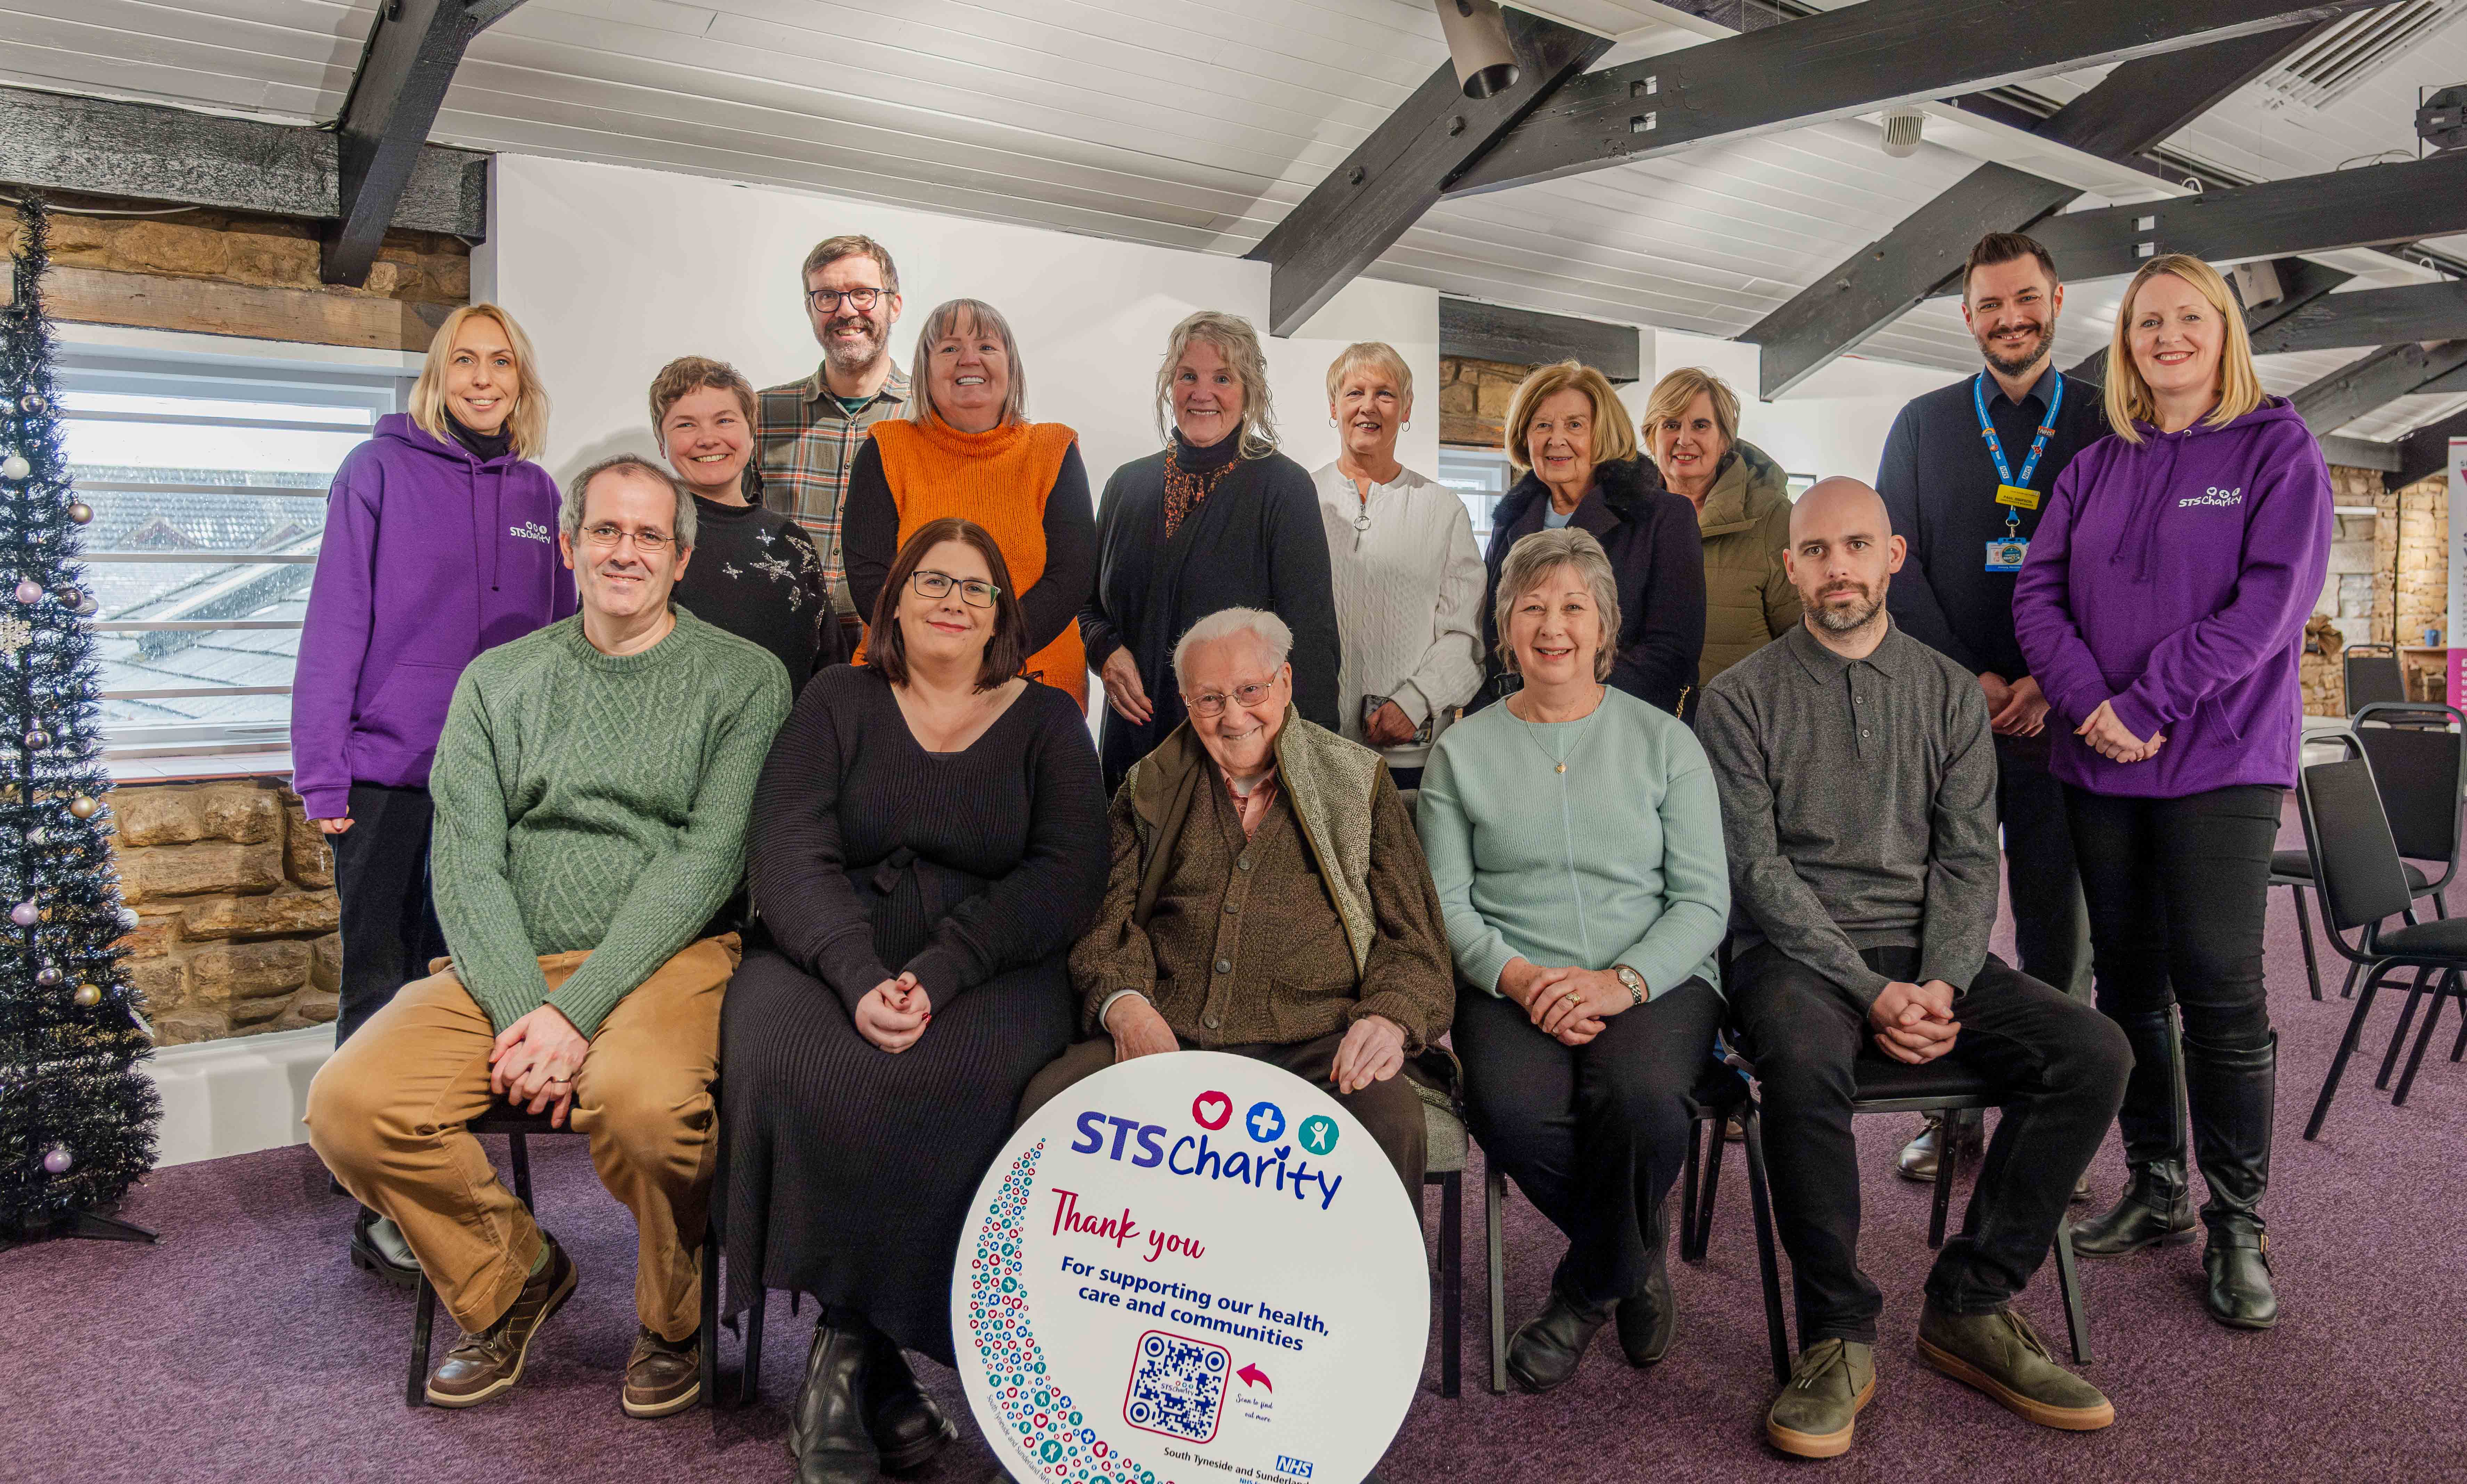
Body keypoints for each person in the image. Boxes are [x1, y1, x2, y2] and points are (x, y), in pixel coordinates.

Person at [305, 455, 792, 1419]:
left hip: (671, 955)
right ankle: (512, 1271)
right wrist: (529, 1002)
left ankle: (673, 1315)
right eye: (606, 529)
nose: (627, 551)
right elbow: (467, 861)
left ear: (682, 558)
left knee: (647, 1108)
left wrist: (571, 1013)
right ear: (569, 546)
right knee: (350, 1104)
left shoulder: (745, 680)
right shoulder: (499, 680)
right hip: (512, 960)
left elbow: (706, 864)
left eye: (650, 534)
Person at [1697, 477, 2129, 1459]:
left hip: (1932, 954)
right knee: (1803, 1064)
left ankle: (1971, 1303)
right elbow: (1757, 874)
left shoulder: (1944, 690)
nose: (1836, 566)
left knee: (2092, 1050)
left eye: (1856, 545)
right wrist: (1869, 987)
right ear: (1791, 565)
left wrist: (1939, 980)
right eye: (1816, 550)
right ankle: (1839, 1334)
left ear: (1892, 555)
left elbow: (1972, 856)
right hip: (1797, 959)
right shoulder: (1737, 700)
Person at [720, 517, 1107, 1483]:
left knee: (963, 1077)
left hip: (989, 959)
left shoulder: (1051, 719)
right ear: (893, 599)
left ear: (1001, 616)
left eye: (975, 588)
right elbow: (789, 848)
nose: (951, 600)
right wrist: (855, 975)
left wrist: (940, 971)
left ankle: (848, 1347)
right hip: (827, 944)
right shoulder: (836, 698)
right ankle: (884, 1382)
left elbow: (1064, 877)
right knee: (790, 1060)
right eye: (932, 580)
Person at [2013, 253, 2331, 1331]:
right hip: (2097, 754)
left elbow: (2268, 606)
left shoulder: (2274, 448)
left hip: (2221, 754)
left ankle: (2236, 1219)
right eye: (2147, 322)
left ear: (2223, 332)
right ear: (2125, 344)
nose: (2165, 338)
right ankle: (2155, 1186)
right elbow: (2039, 591)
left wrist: (2146, 700)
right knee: (2127, 983)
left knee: (2217, 981)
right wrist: (2086, 700)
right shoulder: (2095, 464)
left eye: (2186, 318)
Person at [292, 301, 574, 1287]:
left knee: (465, 981)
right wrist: (322, 767)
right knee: (379, 977)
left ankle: (440, 1158)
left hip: (496, 788)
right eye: (466, 360)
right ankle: (377, 1195)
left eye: (502, 361)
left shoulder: (540, 490)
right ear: (438, 374)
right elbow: (336, 620)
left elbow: (564, 641)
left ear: (520, 379)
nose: (484, 377)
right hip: (388, 776)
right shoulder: (374, 472)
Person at [1419, 527, 1727, 1394]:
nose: (1553, 626)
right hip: (1510, 979)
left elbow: (1703, 900)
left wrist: (1621, 983)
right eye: (1531, 608)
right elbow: (1446, 904)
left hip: (1653, 974)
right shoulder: (1460, 753)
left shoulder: (1667, 742)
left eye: (1573, 608)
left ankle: (1588, 1288)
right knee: (1509, 1112)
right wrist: (1520, 979)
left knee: (1639, 1099)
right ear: (1504, 631)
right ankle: (1636, 1250)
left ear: (1605, 630)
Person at [1023, 606, 1454, 1201]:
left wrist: (1387, 1018)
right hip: (1169, 1032)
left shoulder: (1358, 781)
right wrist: (1126, 1007)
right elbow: (1103, 921)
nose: (1232, 716)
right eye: (1209, 699)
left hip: (1317, 1045)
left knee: (1388, 1125)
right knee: (1052, 1104)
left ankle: (1354, 1296)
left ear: (1285, 683)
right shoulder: (1147, 785)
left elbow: (1416, 941)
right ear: (1184, 703)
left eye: (1250, 690)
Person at [1878, 231, 2111, 1185]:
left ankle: (2045, 1122)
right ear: (1966, 314)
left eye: (2025, 300)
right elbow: (1900, 560)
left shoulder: (2107, 419)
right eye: (1989, 304)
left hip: (2065, 721)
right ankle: (1949, 1113)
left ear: (2056, 300)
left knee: (2062, 929)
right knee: (1948, 924)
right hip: (1950, 723)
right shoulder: (1924, 423)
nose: (2009, 319)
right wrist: (1968, 678)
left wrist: (2052, 678)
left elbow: (2120, 570)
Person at [1081, 310, 1343, 793]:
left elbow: (1310, 640)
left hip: (1238, 761)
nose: (1202, 393)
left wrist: (1308, 778)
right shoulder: (1125, 486)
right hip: (1132, 748)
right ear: (1169, 386)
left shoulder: (1283, 488)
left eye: (1222, 378)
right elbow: (1086, 604)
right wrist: (1105, 651)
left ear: (1249, 391)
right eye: (1188, 376)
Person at [843, 299, 1096, 709]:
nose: (969, 359)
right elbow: (871, 578)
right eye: (949, 348)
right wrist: (941, 662)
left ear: (1011, 366)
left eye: (986, 347)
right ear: (925, 372)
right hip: (907, 683)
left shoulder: (1054, 449)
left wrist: (991, 653)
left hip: (1036, 685)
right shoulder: (885, 449)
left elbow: (1071, 577)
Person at [1477, 360, 1703, 718]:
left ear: (1603, 434)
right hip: (1519, 723)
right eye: (1542, 426)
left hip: (1621, 723)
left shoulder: (1665, 516)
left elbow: (1672, 649)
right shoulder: (1511, 523)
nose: (1556, 439)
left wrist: (1571, 704)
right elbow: (1493, 635)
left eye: (1575, 425)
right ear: (1525, 437)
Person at [1311, 341, 1484, 790]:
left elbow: (1464, 636)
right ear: (1334, 406)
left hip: (1410, 760)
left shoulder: (1443, 510)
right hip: (1313, 750)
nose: (1368, 406)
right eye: (1354, 393)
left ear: (1406, 409)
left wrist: (1416, 701)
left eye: (1385, 394)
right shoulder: (1300, 499)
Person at [757, 234, 908, 647]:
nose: (846, 311)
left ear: (894, 305)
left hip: (892, 651)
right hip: (779, 643)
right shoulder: (760, 414)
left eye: (863, 294)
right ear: (810, 309)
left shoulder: (930, 418)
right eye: (826, 297)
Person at [653, 356, 836, 688]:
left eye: (724, 421)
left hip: (791, 739)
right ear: (661, 444)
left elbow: (828, 669)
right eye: (686, 425)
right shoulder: (646, 535)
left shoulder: (792, 542)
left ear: (752, 434)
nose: (708, 439)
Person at [1642, 366, 1798, 686]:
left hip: (1738, 726)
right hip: (1641, 721)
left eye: (1701, 426)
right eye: (1671, 425)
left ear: (1725, 439)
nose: (1684, 439)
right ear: (1650, 437)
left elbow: (1802, 641)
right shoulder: (1626, 516)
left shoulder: (1774, 518)